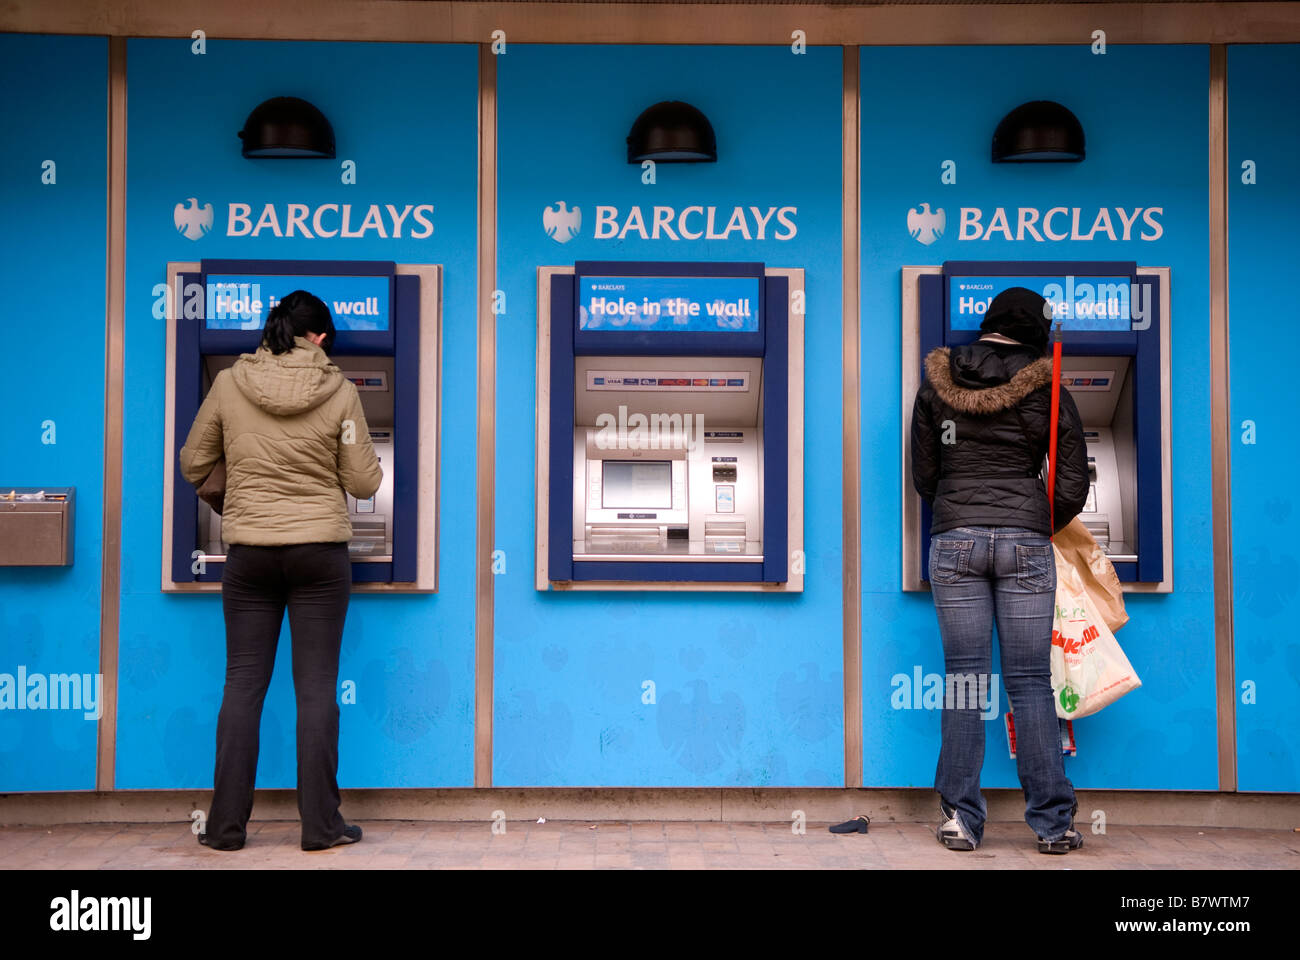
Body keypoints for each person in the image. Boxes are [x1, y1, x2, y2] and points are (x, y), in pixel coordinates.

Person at [180, 290, 382, 852]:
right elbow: (365, 483)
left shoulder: (226, 383)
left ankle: (224, 828)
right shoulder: (340, 393)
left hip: (251, 556)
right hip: (319, 554)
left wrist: (242, 480)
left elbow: (192, 461)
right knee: (315, 689)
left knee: (243, 685)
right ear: (318, 337)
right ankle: (321, 827)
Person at [909, 286, 1090, 854]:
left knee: (965, 679)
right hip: (1027, 545)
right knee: (1030, 682)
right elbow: (1071, 481)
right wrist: (1036, 518)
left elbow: (925, 473)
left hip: (956, 540)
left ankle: (960, 820)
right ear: (1035, 331)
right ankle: (1053, 825)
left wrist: (961, 510)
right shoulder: (1050, 387)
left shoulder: (937, 386)